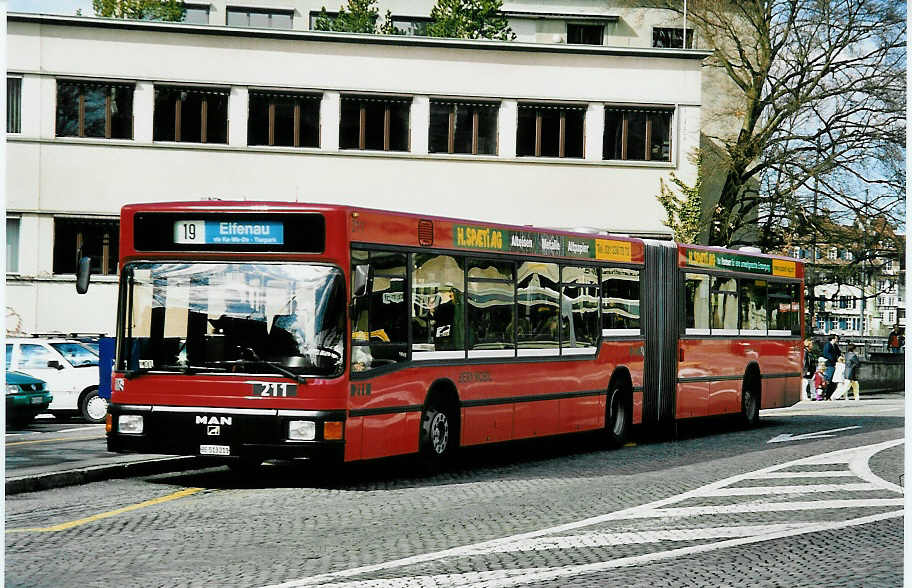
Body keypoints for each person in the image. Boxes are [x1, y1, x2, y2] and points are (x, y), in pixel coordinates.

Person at [822, 334, 841, 399]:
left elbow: (839, 353)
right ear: (833, 339)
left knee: (833, 380)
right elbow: (826, 354)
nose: (837, 340)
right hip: (829, 364)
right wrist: (834, 359)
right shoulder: (828, 345)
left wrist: (840, 357)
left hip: (834, 364)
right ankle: (826, 395)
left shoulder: (835, 346)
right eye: (836, 338)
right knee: (829, 379)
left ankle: (830, 395)